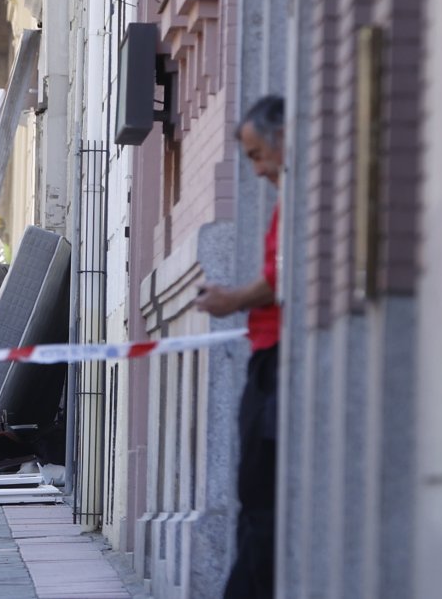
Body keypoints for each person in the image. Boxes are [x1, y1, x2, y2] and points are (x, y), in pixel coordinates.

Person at [194, 95, 284, 599]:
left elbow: (278, 279)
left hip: (276, 361)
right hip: (267, 353)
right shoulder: (289, 194)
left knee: (259, 497)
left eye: (256, 155)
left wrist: (231, 299)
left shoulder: (299, 192)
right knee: (254, 497)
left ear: (283, 139)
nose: (256, 170)